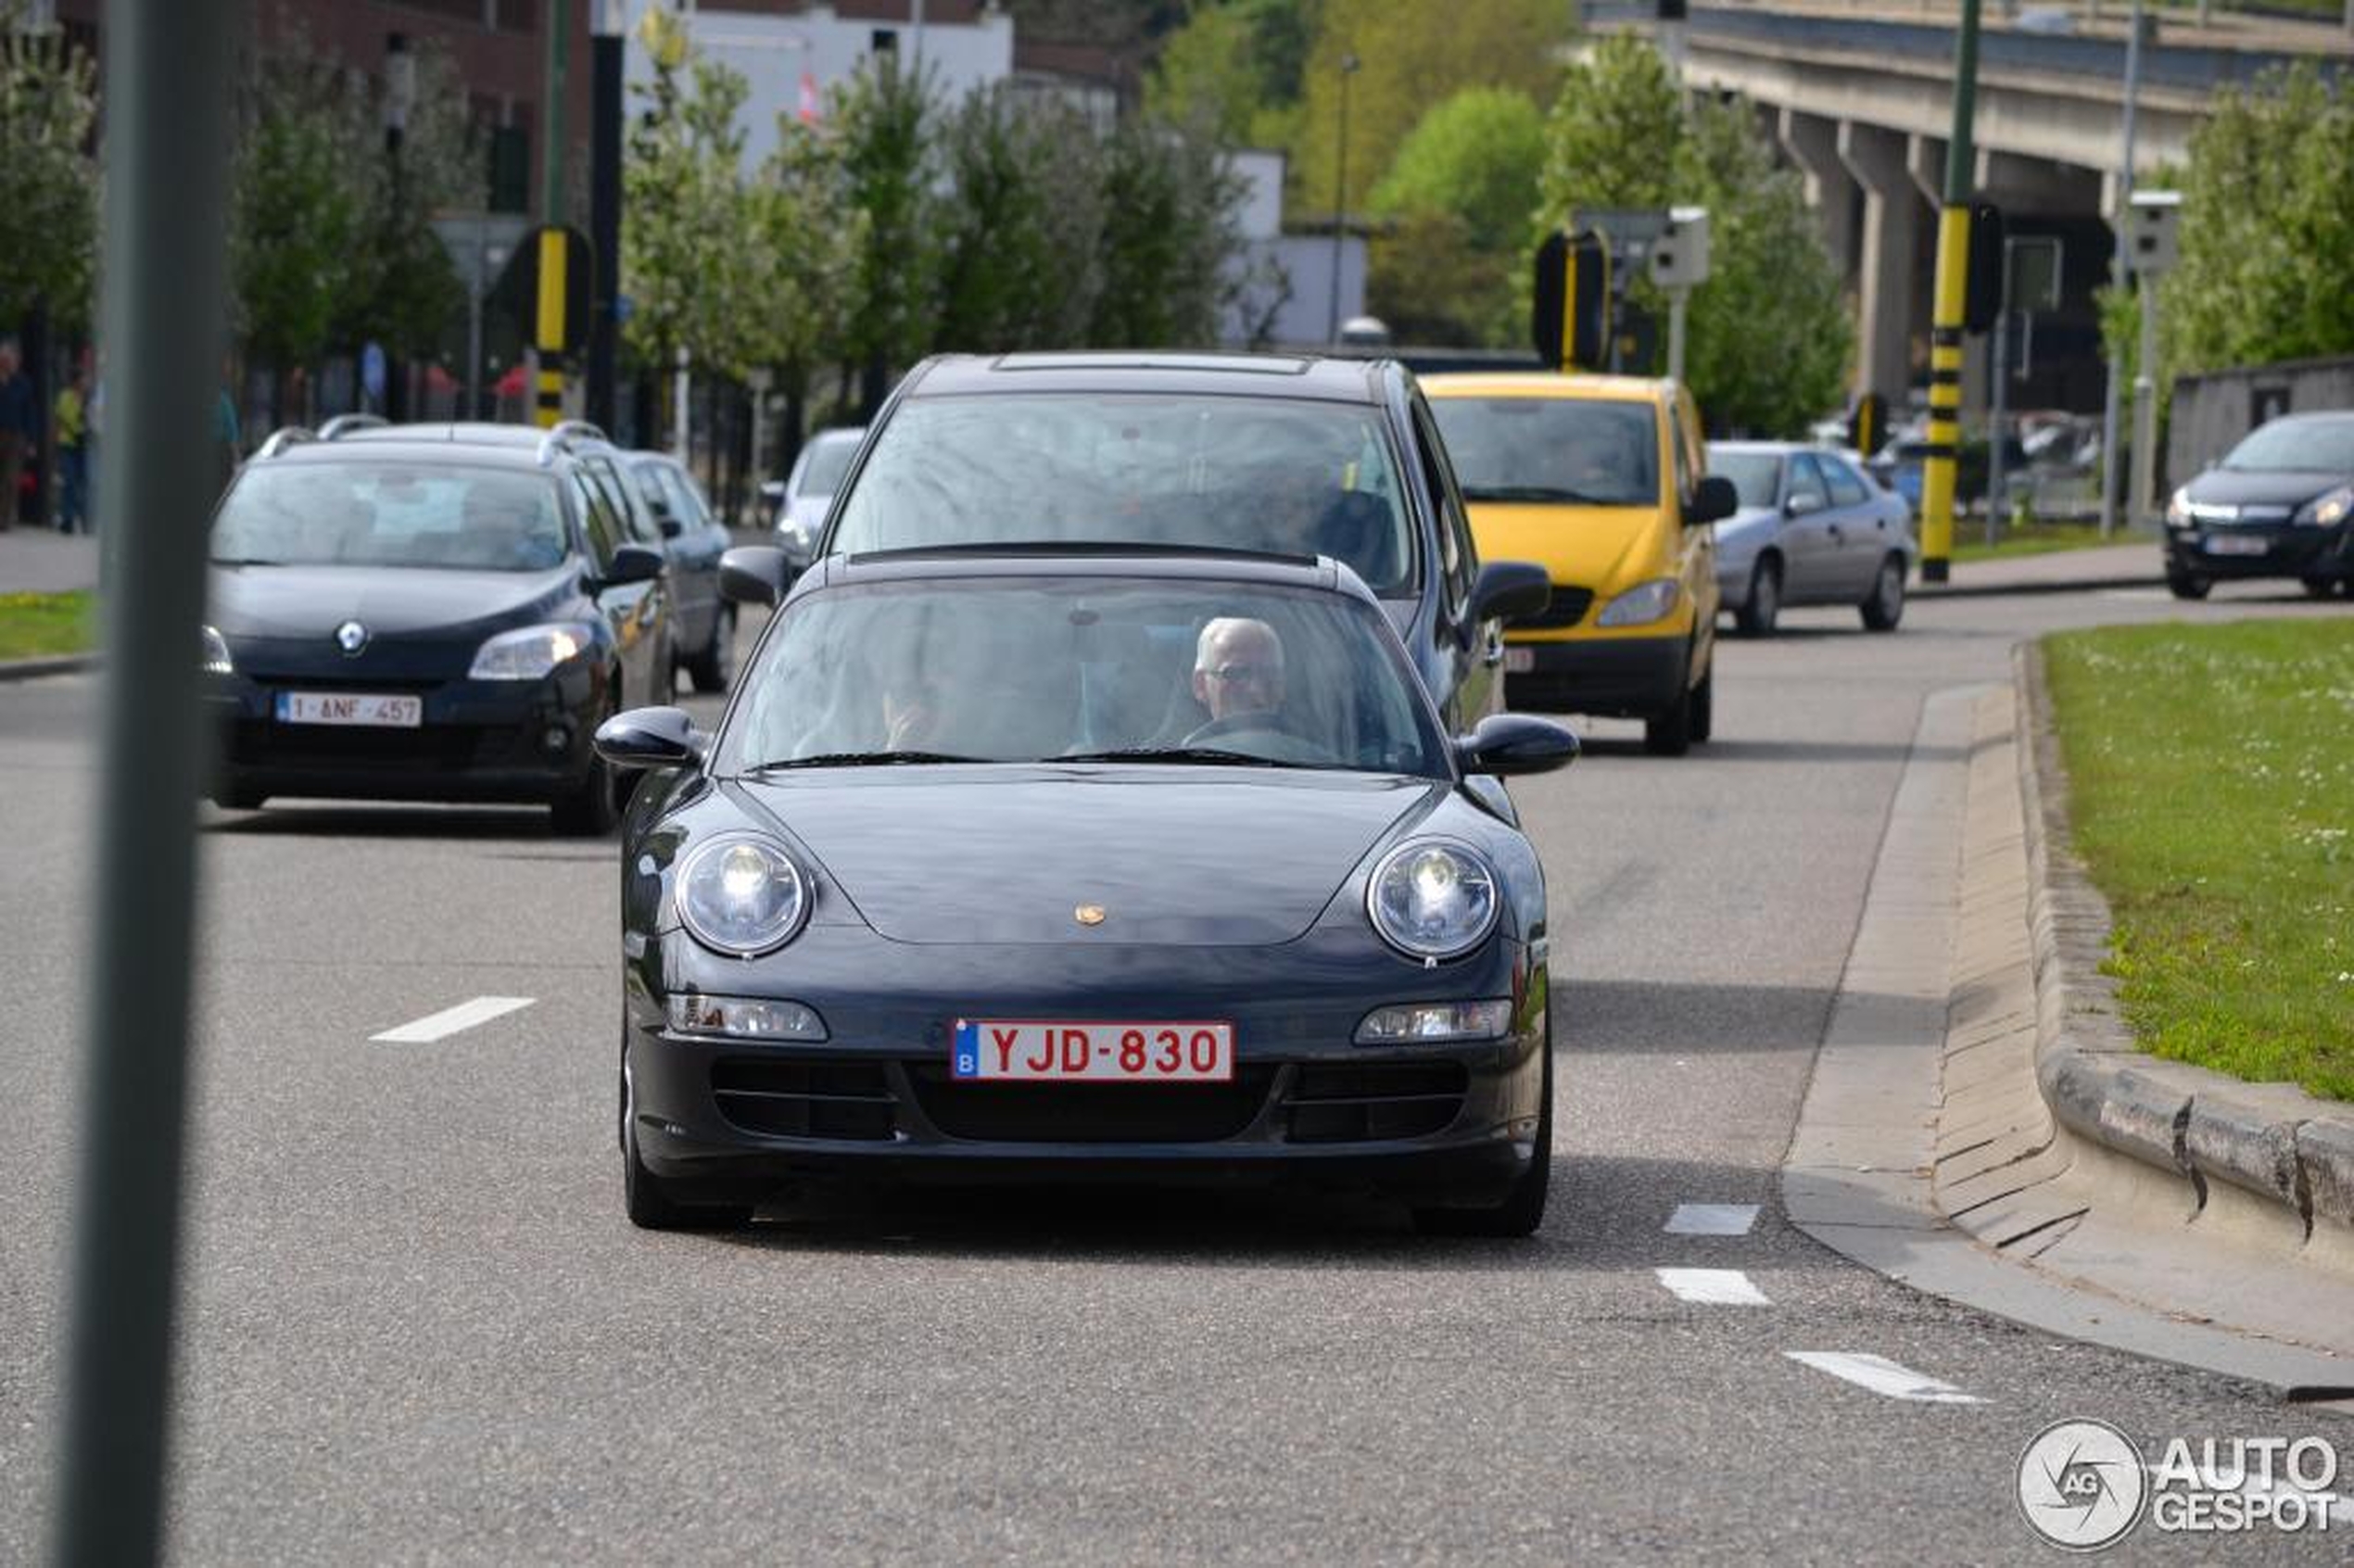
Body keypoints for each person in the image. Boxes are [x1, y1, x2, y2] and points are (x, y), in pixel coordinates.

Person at [1187, 616, 1286, 736]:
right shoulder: (1176, 753)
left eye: (1270, 675)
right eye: (1236, 674)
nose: (1256, 691)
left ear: (1282, 686)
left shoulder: (1307, 752)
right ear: (1201, 685)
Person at [53, 356, 89, 534]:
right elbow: (62, 418)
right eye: (83, 378)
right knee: (70, 481)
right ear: (76, 380)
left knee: (83, 483)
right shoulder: (65, 396)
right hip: (68, 444)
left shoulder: (88, 397)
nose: (85, 382)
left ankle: (82, 519)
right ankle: (67, 520)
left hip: (83, 446)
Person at [0, 340, 33, 531]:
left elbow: (30, 412)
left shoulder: (23, 383)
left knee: (11, 479)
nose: (5, 362)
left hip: (16, 435)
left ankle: (4, 520)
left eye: (9, 359)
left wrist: (31, 442)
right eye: (3, 359)